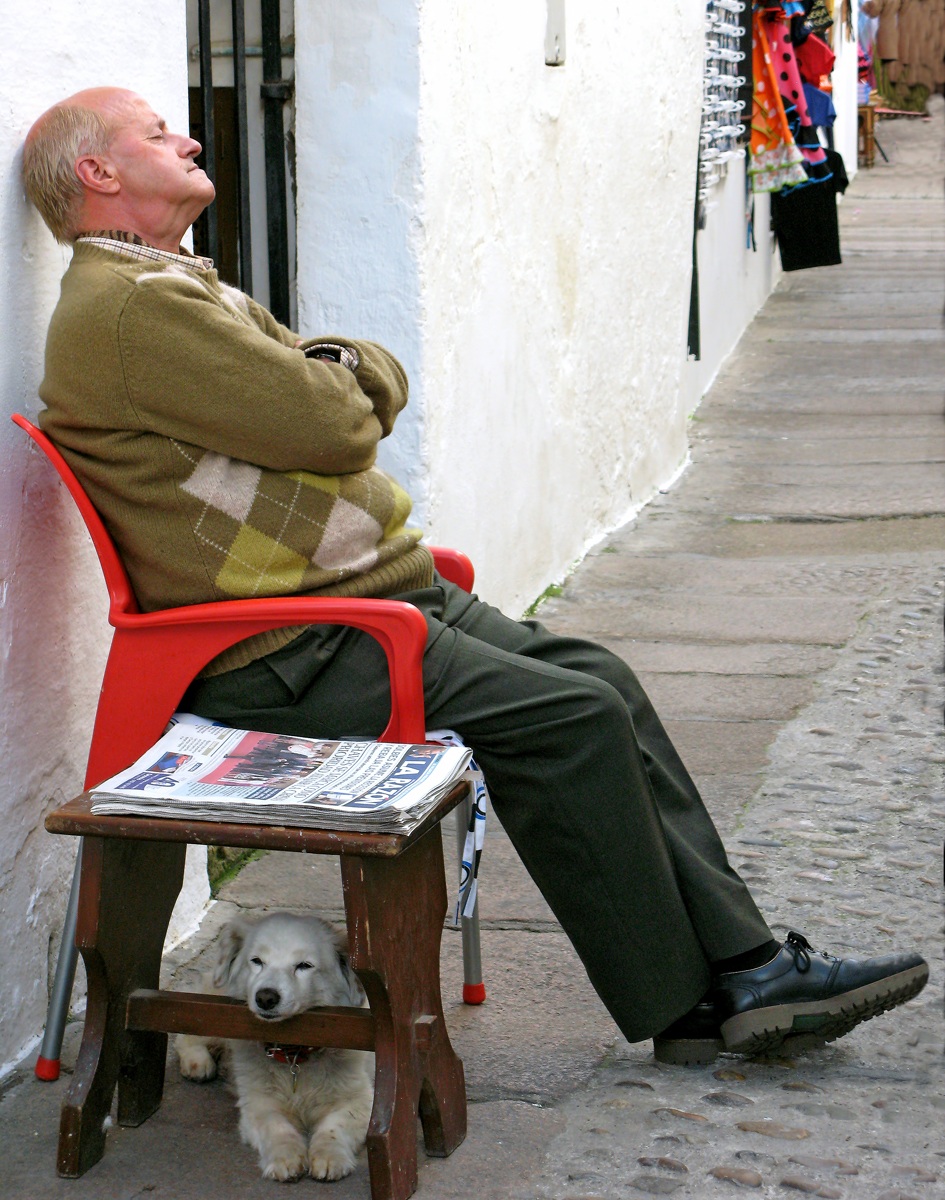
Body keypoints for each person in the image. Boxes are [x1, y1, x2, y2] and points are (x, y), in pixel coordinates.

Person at [22, 87, 928, 1065]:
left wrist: (337, 373)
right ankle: (702, 998)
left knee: (604, 684)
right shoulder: (130, 311)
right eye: (158, 134)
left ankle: (746, 976)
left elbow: (343, 389)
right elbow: (336, 422)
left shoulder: (172, 288)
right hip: (294, 645)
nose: (191, 136)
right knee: (571, 720)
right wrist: (340, 377)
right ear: (98, 175)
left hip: (371, 601)